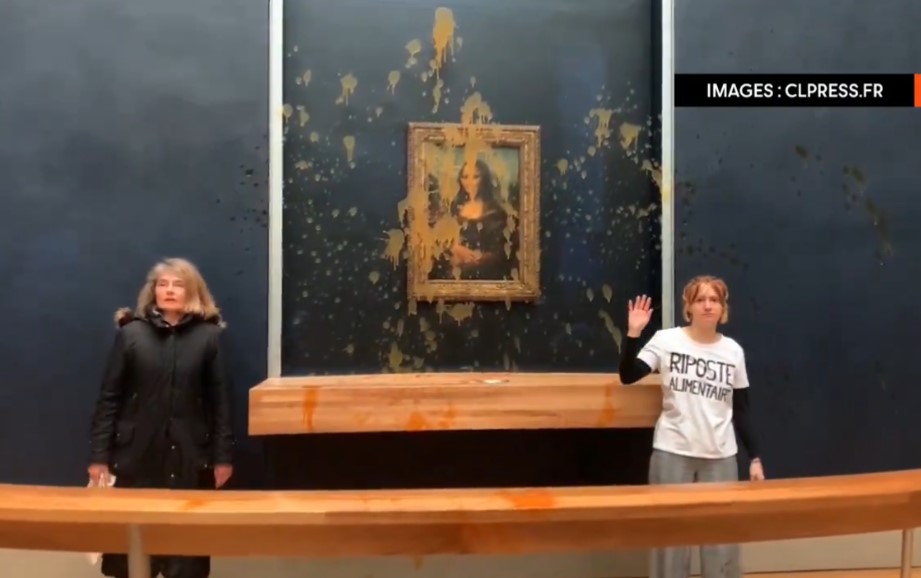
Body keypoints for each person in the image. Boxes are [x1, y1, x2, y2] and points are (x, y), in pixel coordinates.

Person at [88, 257, 235, 578]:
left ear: (192, 292)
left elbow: (220, 403)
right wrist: (99, 456)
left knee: (185, 553)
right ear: (153, 291)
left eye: (178, 284)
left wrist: (222, 457)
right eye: (163, 284)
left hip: (189, 456)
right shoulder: (131, 334)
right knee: (133, 551)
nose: (169, 290)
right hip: (135, 455)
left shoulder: (208, 338)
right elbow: (109, 398)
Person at [618, 275, 764, 578]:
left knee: (721, 540)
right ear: (688, 307)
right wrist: (633, 333)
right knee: (670, 537)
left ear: (723, 308)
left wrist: (755, 457)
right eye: (700, 300)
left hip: (720, 456)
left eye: (714, 300)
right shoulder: (666, 340)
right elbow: (628, 375)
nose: (707, 306)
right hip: (673, 451)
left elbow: (742, 409)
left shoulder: (733, 351)